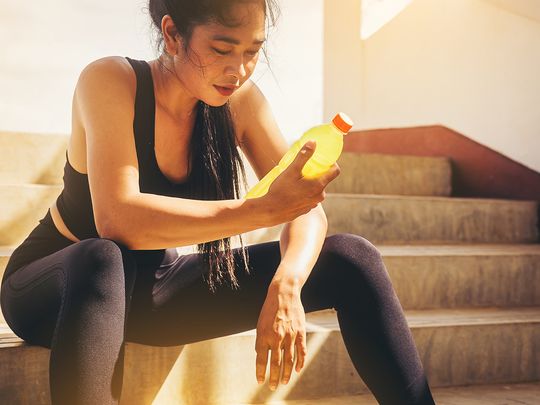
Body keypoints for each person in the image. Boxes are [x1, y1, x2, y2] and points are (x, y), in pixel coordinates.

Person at [0, 0, 437, 404]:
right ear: (172, 35)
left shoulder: (239, 103)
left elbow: (308, 211)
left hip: (153, 292)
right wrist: (260, 211)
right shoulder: (111, 81)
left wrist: (288, 283)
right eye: (223, 49)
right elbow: (119, 219)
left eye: (252, 51)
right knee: (103, 256)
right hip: (59, 288)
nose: (240, 70)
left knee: (351, 258)